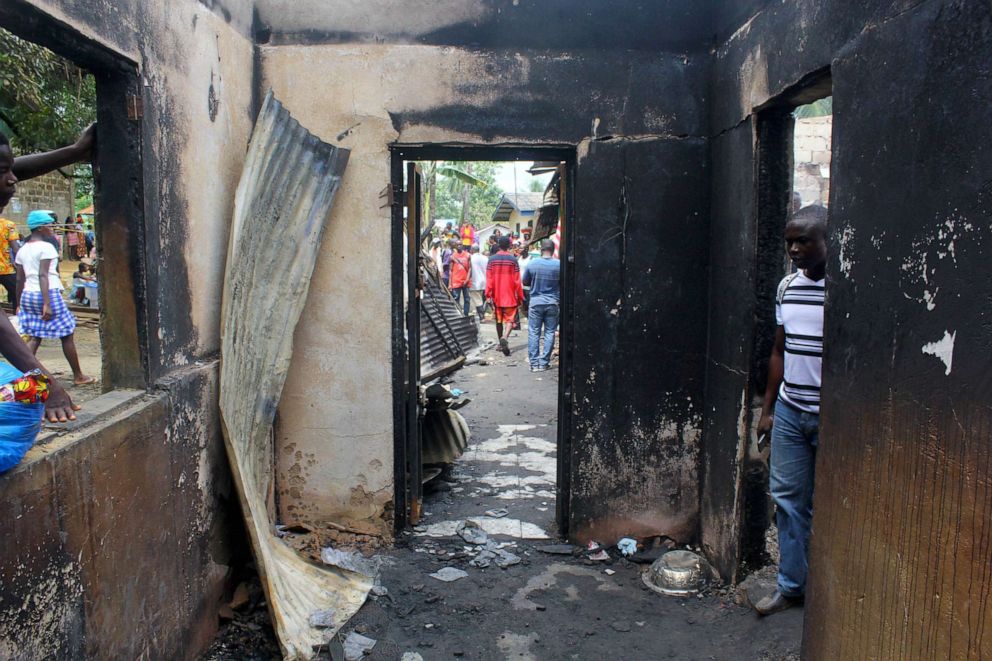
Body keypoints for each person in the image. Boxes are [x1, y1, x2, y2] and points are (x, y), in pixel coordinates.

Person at [753, 204, 828, 616]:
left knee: (828, 504)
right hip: (790, 412)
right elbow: (779, 350)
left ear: (826, 242)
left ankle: (828, 591)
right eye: (790, 243)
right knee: (787, 500)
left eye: (804, 241)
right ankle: (792, 585)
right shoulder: (787, 288)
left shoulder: (846, 290)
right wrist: (769, 410)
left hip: (831, 417)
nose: (795, 249)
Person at [0, 127, 95, 423]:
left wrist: (75, 152)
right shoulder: (45, 248)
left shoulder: (30, 243)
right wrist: (47, 384)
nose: (13, 179)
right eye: (4, 172)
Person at [16, 210, 95, 386]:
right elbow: (43, 276)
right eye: (51, 225)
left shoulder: (23, 249)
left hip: (28, 295)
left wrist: (19, 303)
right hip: (47, 294)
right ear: (41, 227)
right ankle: (79, 376)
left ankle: (24, 377)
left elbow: (19, 279)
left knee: (35, 336)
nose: (54, 228)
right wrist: (47, 303)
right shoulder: (46, 247)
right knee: (67, 334)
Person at [522, 239, 560, 372]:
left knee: (534, 332)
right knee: (550, 332)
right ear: (553, 250)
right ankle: (544, 363)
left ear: (541, 250)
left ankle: (534, 364)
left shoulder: (532, 263)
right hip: (553, 303)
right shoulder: (559, 265)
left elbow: (525, 282)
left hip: (536, 302)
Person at [484, 235, 524, 356]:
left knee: (499, 320)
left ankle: (500, 341)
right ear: (509, 246)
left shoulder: (491, 260)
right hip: (510, 295)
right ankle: (505, 337)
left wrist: (488, 294)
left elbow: (489, 279)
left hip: (496, 296)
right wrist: (520, 296)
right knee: (510, 320)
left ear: (498, 245)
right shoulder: (513, 260)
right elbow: (517, 280)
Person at [0, 210, 22, 305]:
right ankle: (16, 316)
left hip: (6, 268)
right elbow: (16, 248)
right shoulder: (8, 225)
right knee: (17, 296)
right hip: (6, 268)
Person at [448, 242, 472, 315]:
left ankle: (466, 314)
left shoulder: (468, 255)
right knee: (456, 298)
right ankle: (458, 314)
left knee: (467, 299)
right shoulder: (453, 257)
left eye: (460, 244)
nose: (459, 246)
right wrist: (449, 284)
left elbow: (470, 268)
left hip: (466, 281)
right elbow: (450, 270)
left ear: (463, 246)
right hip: (456, 281)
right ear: (455, 246)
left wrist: (467, 279)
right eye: (457, 245)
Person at [468, 244, 488, 322]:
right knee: (482, 299)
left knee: (477, 300)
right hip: (485, 281)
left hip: (475, 281)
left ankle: (482, 317)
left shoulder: (471, 258)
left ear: (472, 250)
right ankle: (483, 314)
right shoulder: (485, 258)